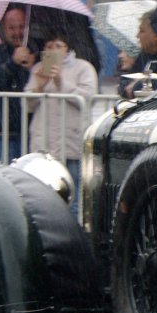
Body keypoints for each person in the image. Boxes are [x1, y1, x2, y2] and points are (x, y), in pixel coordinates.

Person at [25, 31, 98, 207]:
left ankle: (71, 233)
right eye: (49, 46)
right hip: (43, 144)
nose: (54, 50)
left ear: (68, 49)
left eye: (59, 46)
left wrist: (61, 83)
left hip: (70, 143)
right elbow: (27, 105)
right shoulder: (38, 69)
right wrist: (39, 86)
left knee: (70, 197)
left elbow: (88, 99)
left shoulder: (84, 67)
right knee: (40, 197)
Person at [0, 6, 34, 161]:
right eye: (12, 28)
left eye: (21, 27)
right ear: (4, 29)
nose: (17, 32)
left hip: (35, 131)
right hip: (8, 131)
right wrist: (12, 63)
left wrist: (33, 70)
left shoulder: (37, 50)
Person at [117, 12, 157, 99]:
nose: (137, 36)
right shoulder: (145, 55)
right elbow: (124, 83)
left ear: (156, 34)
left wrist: (138, 84)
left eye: (142, 31)